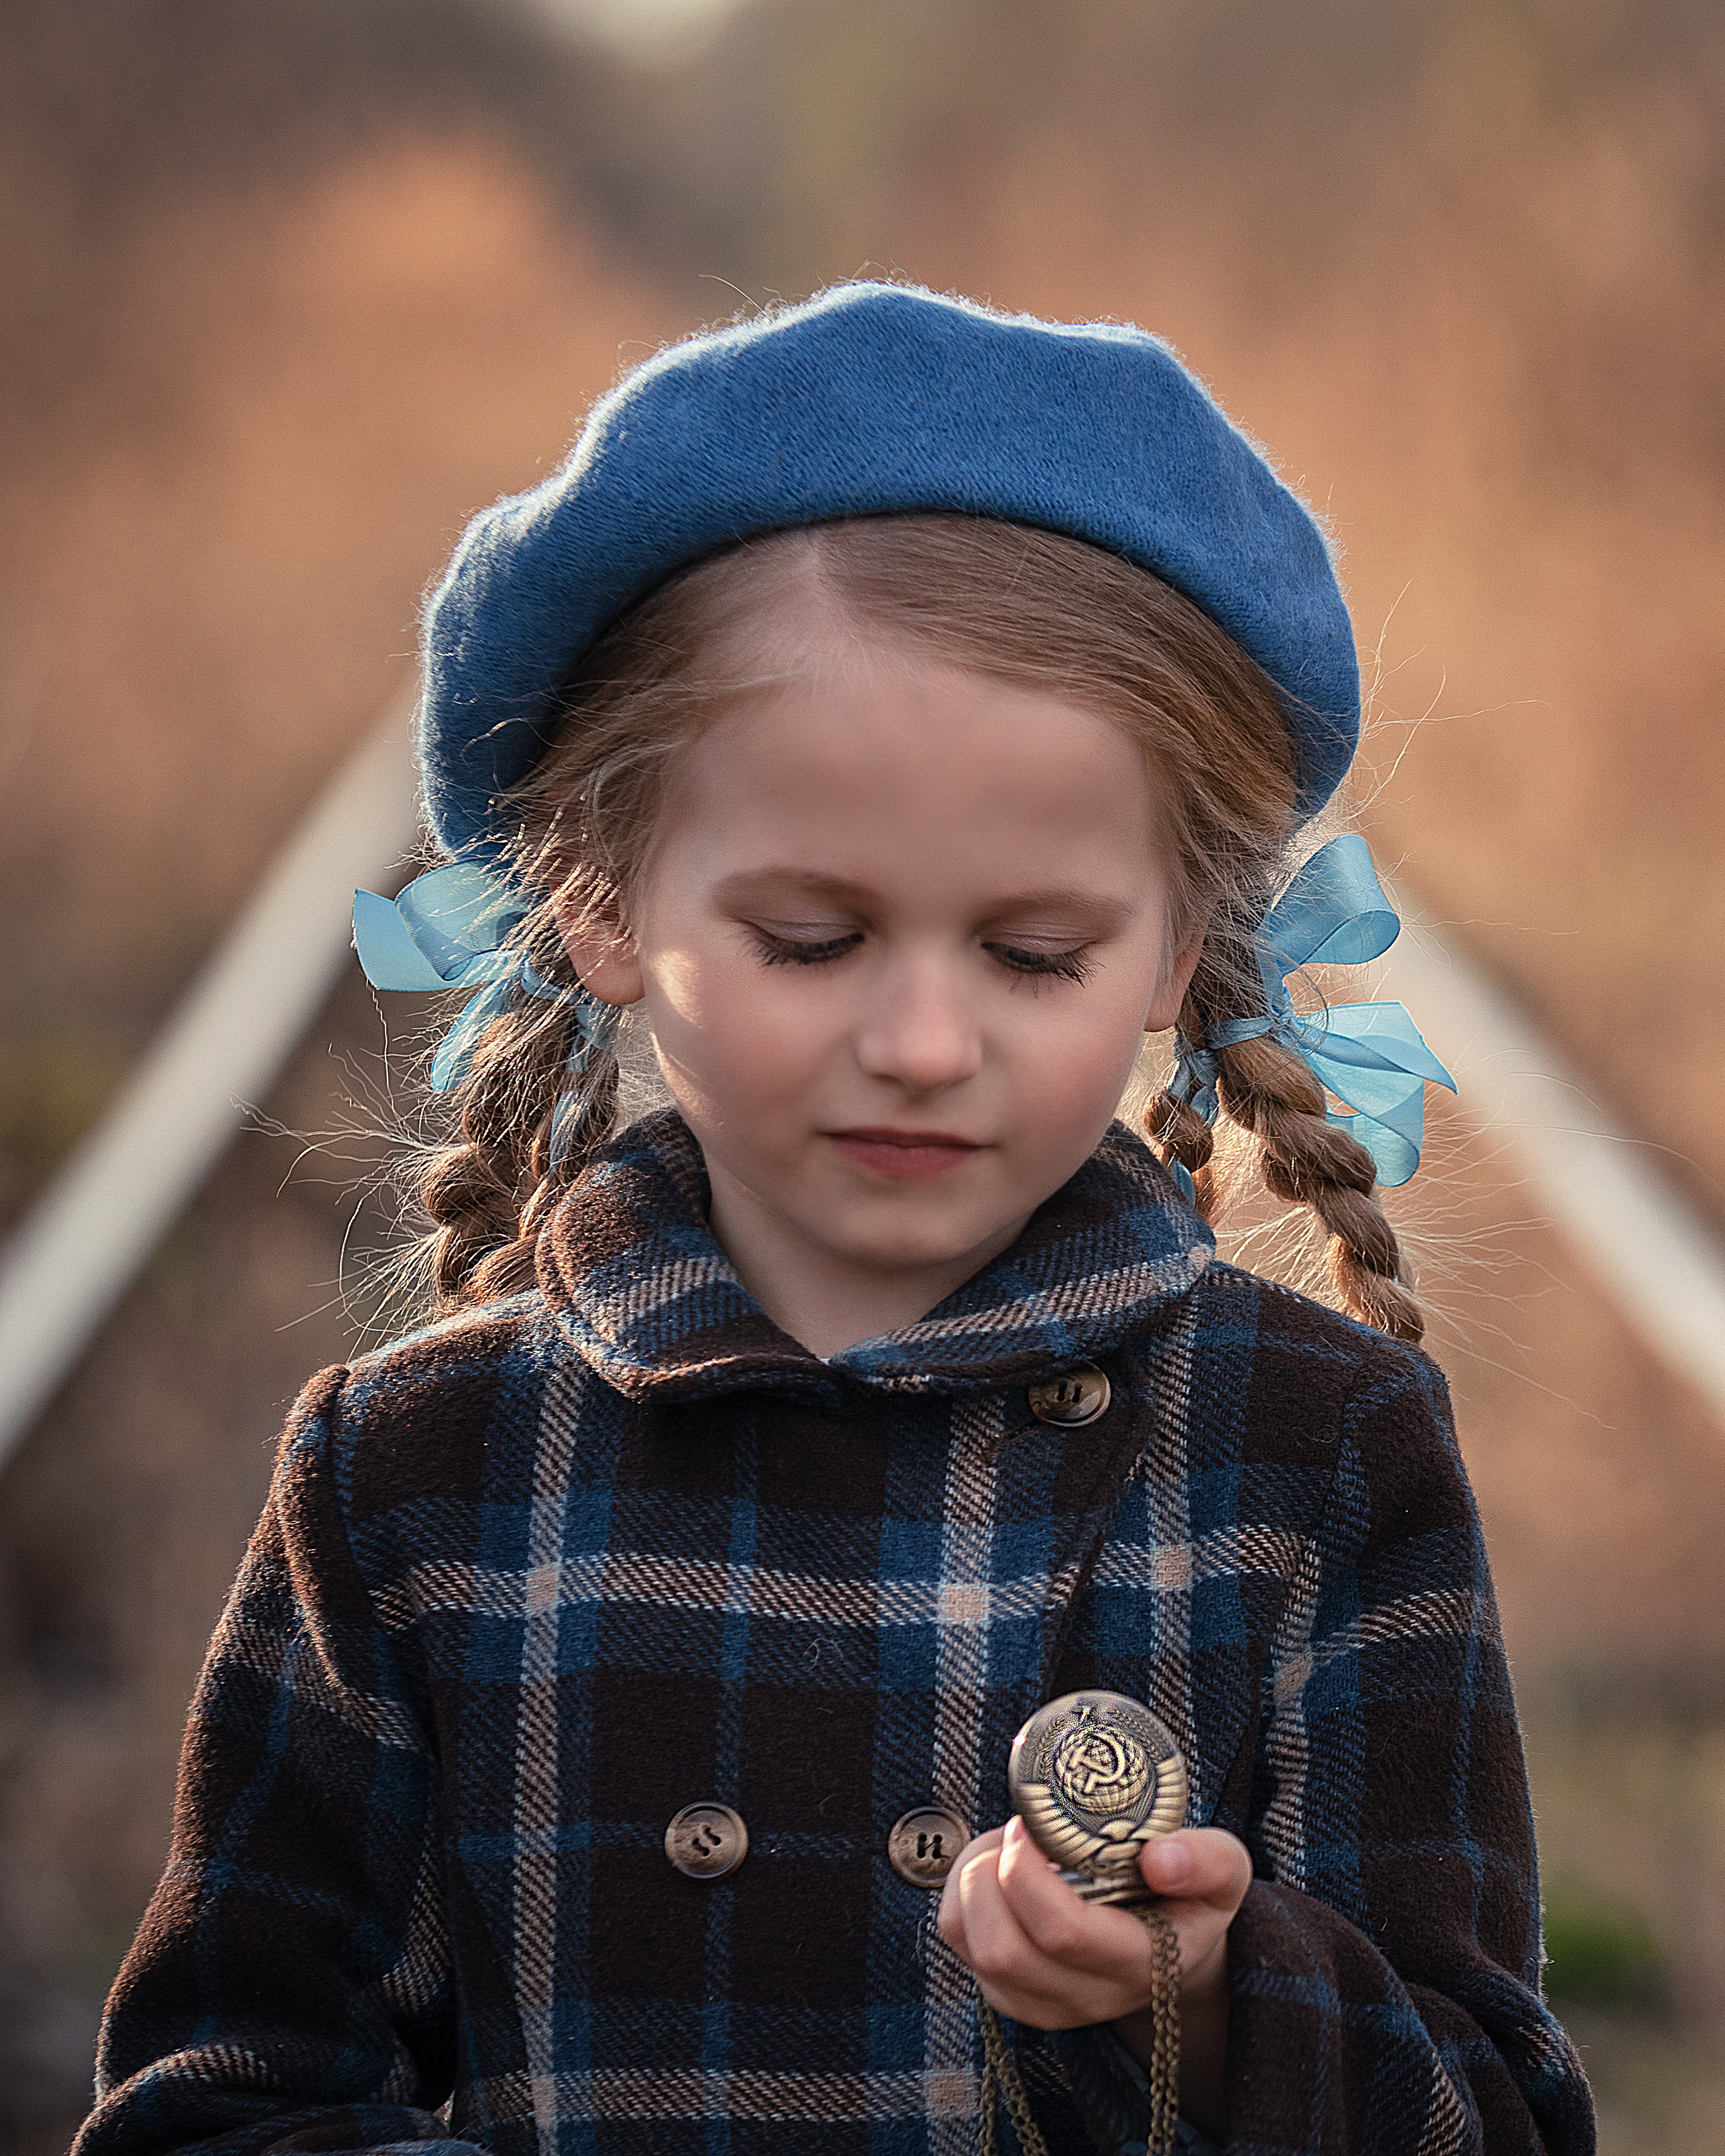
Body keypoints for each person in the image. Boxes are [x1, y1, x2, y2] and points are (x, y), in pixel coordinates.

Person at [75, 283, 1594, 2156]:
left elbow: (1501, 2121)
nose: (925, 1041)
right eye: (816, 937)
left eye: (1036, 953)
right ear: (601, 907)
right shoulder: (416, 1476)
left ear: (1177, 954)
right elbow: (211, 2106)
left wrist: (1206, 1997)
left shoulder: (1317, 1452)